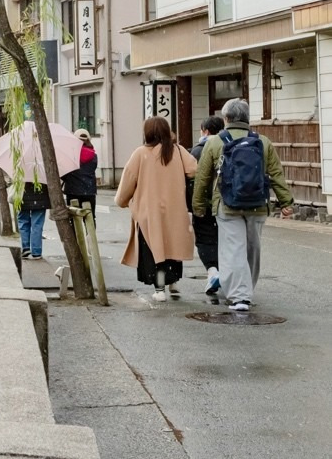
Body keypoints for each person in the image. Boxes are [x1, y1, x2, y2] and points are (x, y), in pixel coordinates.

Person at [192, 98, 294, 312]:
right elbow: (275, 173)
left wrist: (199, 206)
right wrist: (286, 202)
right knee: (252, 249)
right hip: (257, 204)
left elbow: (202, 178)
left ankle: (240, 296)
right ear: (247, 118)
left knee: (232, 250)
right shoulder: (263, 142)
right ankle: (247, 290)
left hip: (227, 205)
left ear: (226, 118)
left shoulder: (214, 142)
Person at [115, 117, 197, 301]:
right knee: (172, 246)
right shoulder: (177, 151)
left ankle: (159, 289)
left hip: (149, 212)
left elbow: (128, 181)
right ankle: (173, 280)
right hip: (175, 211)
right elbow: (193, 170)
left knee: (155, 249)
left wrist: (121, 200)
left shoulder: (141, 153)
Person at [189, 115, 225, 295]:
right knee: (226, 239)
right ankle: (229, 274)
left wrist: (194, 204)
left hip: (204, 203)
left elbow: (192, 182)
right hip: (227, 203)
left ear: (206, 131)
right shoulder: (229, 145)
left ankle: (213, 271)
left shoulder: (197, 151)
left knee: (204, 239)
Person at [62, 129, 99, 224]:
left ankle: (75, 238)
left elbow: (65, 173)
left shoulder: (71, 155)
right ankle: (91, 237)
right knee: (90, 217)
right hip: (89, 191)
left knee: (73, 219)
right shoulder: (93, 156)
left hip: (72, 191)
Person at [16, 178, 49, 259]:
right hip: (41, 198)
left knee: (23, 222)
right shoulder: (43, 168)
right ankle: (36, 251)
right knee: (37, 225)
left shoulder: (21, 166)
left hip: (23, 197)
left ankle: (25, 248)